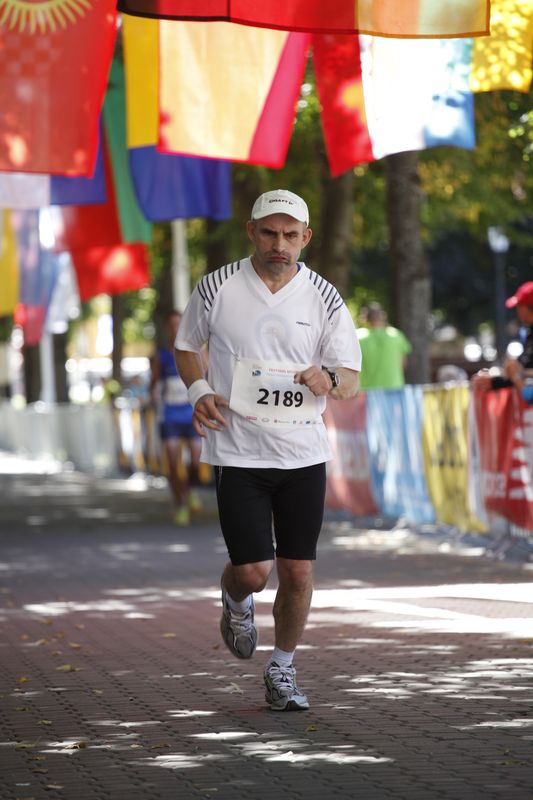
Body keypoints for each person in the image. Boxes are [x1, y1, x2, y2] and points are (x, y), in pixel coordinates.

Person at [175, 189, 361, 711]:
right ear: (251, 232)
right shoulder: (217, 286)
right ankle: (235, 597)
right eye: (270, 233)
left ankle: (282, 669)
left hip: (303, 452)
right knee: (255, 571)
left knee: (297, 570)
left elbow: (350, 377)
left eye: (290, 235)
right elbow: (186, 346)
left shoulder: (324, 296)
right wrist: (199, 390)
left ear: (306, 237)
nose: (280, 244)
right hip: (238, 451)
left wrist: (328, 378)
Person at [150, 311, 202, 526]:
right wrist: (153, 395)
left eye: (178, 324)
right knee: (172, 461)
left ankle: (190, 490)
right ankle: (180, 504)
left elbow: (208, 376)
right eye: (171, 325)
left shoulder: (196, 352)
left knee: (196, 461)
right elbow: (153, 382)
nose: (175, 328)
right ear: (167, 328)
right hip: (170, 414)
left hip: (191, 413)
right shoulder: (161, 355)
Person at [471, 281, 533, 395]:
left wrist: (508, 377)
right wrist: (497, 379)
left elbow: (528, 392)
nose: (518, 311)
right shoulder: (528, 332)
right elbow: (522, 369)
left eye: (520, 306)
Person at [356, 302, 411, 390]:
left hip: (367, 392)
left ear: (365, 319)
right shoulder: (396, 335)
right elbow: (403, 363)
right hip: (395, 389)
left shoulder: (357, 337)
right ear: (383, 317)